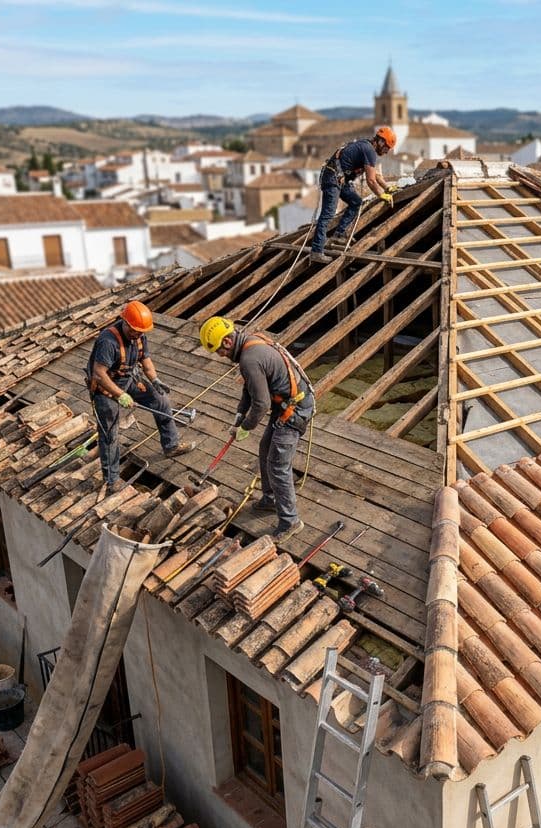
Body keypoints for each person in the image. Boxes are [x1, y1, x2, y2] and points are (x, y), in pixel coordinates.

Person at [199, 316, 315, 543]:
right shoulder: (250, 344)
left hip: (294, 411)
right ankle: (271, 499)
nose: (221, 356)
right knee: (265, 449)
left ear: (227, 342)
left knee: (278, 465)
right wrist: (239, 417)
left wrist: (246, 427)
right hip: (284, 405)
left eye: (219, 351)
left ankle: (290, 521)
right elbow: (250, 389)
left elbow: (261, 403)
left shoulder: (249, 359)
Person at [86, 301, 193, 498]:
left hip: (129, 379)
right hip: (105, 387)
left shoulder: (140, 335)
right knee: (110, 432)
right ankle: (112, 480)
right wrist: (120, 395)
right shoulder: (108, 341)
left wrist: (155, 379)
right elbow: (99, 374)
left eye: (141, 332)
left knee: (160, 400)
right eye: (135, 331)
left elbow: (145, 360)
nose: (138, 335)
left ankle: (171, 445)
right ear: (126, 323)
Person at [309, 127, 397, 263]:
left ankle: (339, 234)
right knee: (328, 214)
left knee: (356, 202)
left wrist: (387, 188)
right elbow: (371, 181)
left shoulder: (367, 148)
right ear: (380, 142)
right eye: (387, 148)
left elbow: (375, 174)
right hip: (333, 178)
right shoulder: (369, 150)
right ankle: (316, 251)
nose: (386, 152)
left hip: (340, 179)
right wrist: (381, 195)